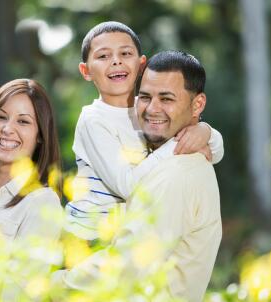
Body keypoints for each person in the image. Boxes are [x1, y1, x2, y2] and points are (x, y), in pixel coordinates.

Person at [54, 50, 222, 302]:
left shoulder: (176, 173)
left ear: (197, 104)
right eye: (144, 97)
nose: (152, 109)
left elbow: (127, 265)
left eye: (166, 99)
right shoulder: (165, 159)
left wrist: (51, 285)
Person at [64, 21, 224, 241]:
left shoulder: (149, 109)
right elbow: (127, 185)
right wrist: (177, 144)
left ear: (141, 66)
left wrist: (206, 132)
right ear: (86, 71)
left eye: (125, 53)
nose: (116, 61)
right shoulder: (93, 120)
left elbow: (215, 153)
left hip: (124, 231)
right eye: (103, 56)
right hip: (89, 234)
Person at [0, 78, 63, 243]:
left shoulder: (43, 202)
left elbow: (29, 269)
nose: (7, 129)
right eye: (1, 117)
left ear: (40, 135)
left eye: (23, 121)